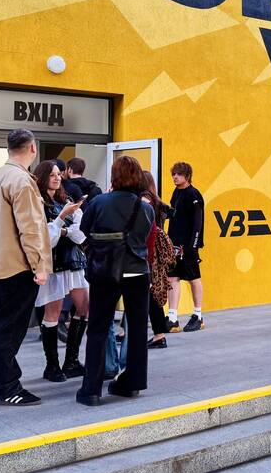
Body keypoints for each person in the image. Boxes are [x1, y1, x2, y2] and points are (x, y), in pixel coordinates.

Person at [0, 129, 52, 406]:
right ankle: (7, 387)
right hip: (17, 265)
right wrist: (39, 265)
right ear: (32, 148)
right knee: (8, 328)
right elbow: (30, 227)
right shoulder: (21, 180)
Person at [77, 156, 153, 405]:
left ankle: (91, 390)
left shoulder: (99, 202)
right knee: (138, 329)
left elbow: (84, 229)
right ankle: (132, 384)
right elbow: (144, 235)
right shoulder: (146, 208)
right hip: (138, 271)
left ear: (114, 176)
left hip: (105, 270)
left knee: (98, 328)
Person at [31, 160, 87, 382]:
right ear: (42, 177)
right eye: (52, 174)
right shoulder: (38, 202)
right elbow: (46, 239)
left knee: (84, 308)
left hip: (74, 262)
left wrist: (62, 229)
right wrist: (62, 220)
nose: (56, 178)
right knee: (52, 314)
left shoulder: (67, 200)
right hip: (53, 264)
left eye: (58, 174)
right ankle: (52, 365)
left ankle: (71, 361)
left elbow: (80, 234)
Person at [165, 162, 205, 333]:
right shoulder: (176, 192)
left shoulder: (193, 194)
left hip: (188, 246)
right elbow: (174, 213)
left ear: (187, 176)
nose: (175, 177)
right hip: (174, 245)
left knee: (193, 278)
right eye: (173, 174)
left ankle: (198, 316)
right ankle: (173, 318)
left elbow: (198, 222)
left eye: (179, 174)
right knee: (172, 278)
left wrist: (193, 246)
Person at [142, 171, 172, 349]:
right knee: (150, 292)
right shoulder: (157, 202)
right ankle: (158, 334)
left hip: (148, 252)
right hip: (156, 254)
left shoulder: (145, 201)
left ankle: (159, 335)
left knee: (149, 294)